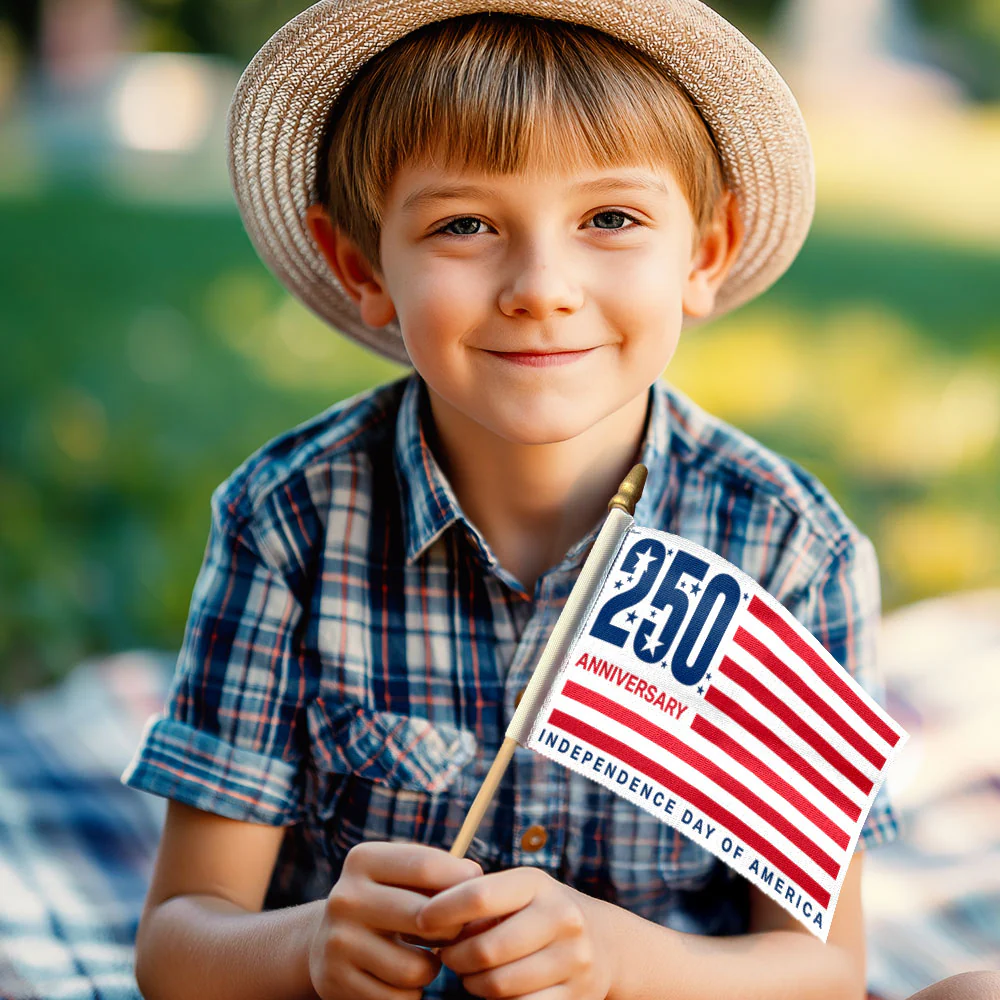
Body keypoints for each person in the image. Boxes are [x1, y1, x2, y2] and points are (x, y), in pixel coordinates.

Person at [120, 2, 1000, 999]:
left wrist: (621, 957)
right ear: (361, 266)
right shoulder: (289, 520)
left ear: (704, 254)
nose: (541, 285)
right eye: (465, 225)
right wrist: (307, 945)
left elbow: (820, 969)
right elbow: (179, 945)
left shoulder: (786, 548)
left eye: (609, 219)